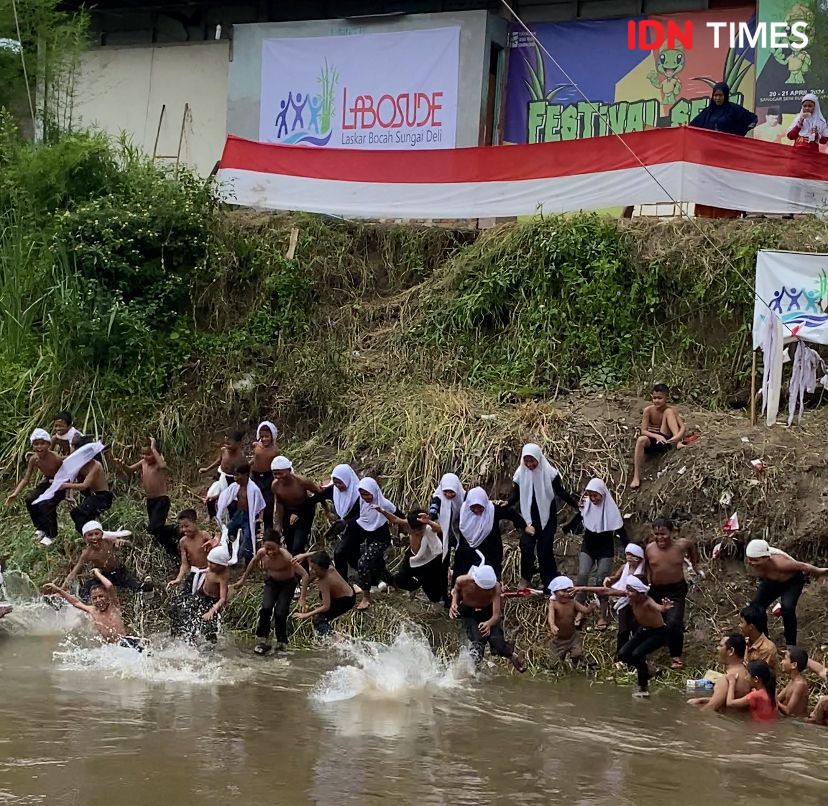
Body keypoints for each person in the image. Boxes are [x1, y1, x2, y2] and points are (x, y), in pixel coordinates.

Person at [576, 576, 674, 698]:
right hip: (643, 630)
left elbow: (659, 608)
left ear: (640, 592)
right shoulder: (630, 596)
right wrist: (582, 588)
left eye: (630, 590)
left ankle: (643, 688)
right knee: (623, 654)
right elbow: (605, 590)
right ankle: (646, 671)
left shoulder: (647, 601)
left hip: (659, 633)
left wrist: (665, 607)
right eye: (627, 589)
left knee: (638, 654)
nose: (627, 592)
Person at [509, 444, 579, 590]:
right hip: (530, 518)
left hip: (547, 516)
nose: (530, 465)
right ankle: (526, 577)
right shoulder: (520, 475)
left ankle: (549, 581)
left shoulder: (550, 473)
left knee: (544, 550)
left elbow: (560, 492)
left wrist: (576, 504)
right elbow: (516, 497)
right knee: (526, 547)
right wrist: (506, 504)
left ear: (539, 458)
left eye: (532, 461)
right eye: (526, 461)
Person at [450, 550, 526, 672]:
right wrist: (454, 604)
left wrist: (489, 623)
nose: (487, 591)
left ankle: (512, 656)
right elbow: (455, 592)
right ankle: (474, 672)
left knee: (497, 641)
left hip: (487, 612)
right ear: (475, 582)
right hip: (470, 612)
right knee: (477, 641)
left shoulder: (495, 587)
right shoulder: (462, 580)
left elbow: (496, 615)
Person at [690, 81, 757, 219]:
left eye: (720, 95)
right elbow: (692, 128)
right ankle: (707, 215)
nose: (718, 98)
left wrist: (736, 135)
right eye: (715, 95)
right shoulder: (707, 112)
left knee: (726, 184)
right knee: (708, 184)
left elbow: (753, 120)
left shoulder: (733, 109)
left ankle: (728, 215)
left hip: (728, 156)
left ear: (726, 95)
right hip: (709, 158)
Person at [745, 538, 828, 647]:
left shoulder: (780, 563)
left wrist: (819, 572)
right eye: (750, 559)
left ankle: (791, 644)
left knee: (787, 608)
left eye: (755, 560)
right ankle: (763, 639)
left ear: (766, 558)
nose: (751, 563)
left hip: (792, 583)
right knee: (756, 607)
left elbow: (803, 566)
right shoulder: (754, 565)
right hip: (772, 582)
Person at [231, 536, 308, 654]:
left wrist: (302, 598)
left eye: (273, 549)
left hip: (287, 584)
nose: (270, 552)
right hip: (271, 583)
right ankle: (263, 639)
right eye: (267, 548)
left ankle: (281, 642)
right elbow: (253, 562)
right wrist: (243, 580)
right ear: (263, 545)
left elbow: (304, 574)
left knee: (280, 612)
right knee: (266, 608)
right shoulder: (262, 552)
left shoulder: (287, 557)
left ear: (280, 546)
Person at [645, 517, 700, 669]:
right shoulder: (649, 549)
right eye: (656, 534)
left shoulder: (680, 546)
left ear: (672, 532)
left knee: (674, 622)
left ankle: (676, 655)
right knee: (656, 622)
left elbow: (691, 545)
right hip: (655, 590)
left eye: (663, 534)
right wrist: (647, 581)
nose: (660, 538)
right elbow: (646, 566)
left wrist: (695, 564)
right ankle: (653, 650)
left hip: (676, 590)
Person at [574, 478, 627, 630]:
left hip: (605, 549)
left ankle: (602, 614)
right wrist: (566, 528)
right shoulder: (586, 505)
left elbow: (621, 532)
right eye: (590, 495)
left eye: (596, 495)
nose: (593, 499)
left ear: (603, 494)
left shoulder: (611, 511)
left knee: (601, 580)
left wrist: (629, 546)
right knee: (582, 575)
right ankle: (580, 610)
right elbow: (578, 516)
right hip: (588, 547)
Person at [113, 437, 178, 558]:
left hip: (161, 499)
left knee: (154, 528)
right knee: (155, 531)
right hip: (150, 501)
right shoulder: (143, 463)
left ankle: (176, 531)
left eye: (148, 454)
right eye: (142, 454)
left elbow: (163, 465)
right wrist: (122, 465)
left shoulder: (159, 464)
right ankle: (173, 550)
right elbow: (130, 470)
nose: (145, 457)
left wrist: (153, 447)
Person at [377, 509, 448, 611]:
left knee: (430, 587)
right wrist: (383, 511)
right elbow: (395, 519)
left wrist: (428, 522)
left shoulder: (428, 528)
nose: (417, 532)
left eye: (419, 530)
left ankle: (436, 600)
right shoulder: (408, 524)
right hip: (411, 557)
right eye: (415, 530)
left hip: (428, 562)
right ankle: (410, 588)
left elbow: (439, 529)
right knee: (399, 579)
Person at [43, 570, 137, 647]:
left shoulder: (114, 607)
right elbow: (76, 602)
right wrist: (58, 590)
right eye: (94, 598)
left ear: (107, 597)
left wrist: (97, 573)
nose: (98, 600)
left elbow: (109, 586)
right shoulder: (92, 610)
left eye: (101, 596)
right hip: (111, 648)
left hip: (126, 642)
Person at [63, 520, 152, 600]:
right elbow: (74, 572)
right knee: (84, 591)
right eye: (90, 535)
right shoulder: (87, 553)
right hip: (104, 576)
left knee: (137, 587)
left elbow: (131, 545)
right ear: (85, 538)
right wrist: (62, 589)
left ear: (102, 534)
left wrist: (123, 542)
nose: (94, 538)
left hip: (120, 572)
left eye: (96, 534)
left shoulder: (109, 541)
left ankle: (146, 589)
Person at [5, 428, 64, 544]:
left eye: (42, 444)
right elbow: (26, 479)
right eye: (36, 444)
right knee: (30, 499)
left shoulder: (55, 458)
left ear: (48, 444)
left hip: (60, 484)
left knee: (45, 504)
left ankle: (51, 534)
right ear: (33, 446)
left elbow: (67, 474)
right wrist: (15, 493)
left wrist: (68, 492)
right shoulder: (34, 459)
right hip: (47, 482)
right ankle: (41, 527)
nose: (39, 447)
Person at [454, 487, 525, 583]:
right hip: (467, 551)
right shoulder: (464, 511)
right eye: (473, 507)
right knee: (462, 573)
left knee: (490, 575)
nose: (477, 510)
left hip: (490, 550)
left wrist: (524, 526)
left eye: (480, 507)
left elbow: (511, 514)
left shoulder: (492, 510)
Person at [352, 477, 401, 611]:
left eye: (368, 494)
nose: (365, 497)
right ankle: (396, 586)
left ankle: (366, 597)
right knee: (378, 566)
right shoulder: (362, 502)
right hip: (368, 539)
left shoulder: (384, 504)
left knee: (363, 563)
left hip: (381, 540)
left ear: (374, 491)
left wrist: (402, 532)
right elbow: (358, 519)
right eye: (362, 494)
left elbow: (400, 516)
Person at [167, 510, 217, 637]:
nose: (184, 529)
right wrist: (178, 578)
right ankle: (179, 634)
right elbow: (185, 563)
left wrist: (214, 542)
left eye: (186, 526)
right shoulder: (183, 541)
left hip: (207, 575)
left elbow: (218, 553)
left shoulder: (205, 536)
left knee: (197, 604)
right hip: (194, 574)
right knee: (177, 605)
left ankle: (205, 635)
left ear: (195, 522)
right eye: (181, 527)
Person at [311, 464, 362, 579]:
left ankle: (342, 583)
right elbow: (317, 497)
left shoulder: (359, 494)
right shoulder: (334, 490)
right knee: (353, 556)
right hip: (345, 528)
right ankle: (368, 579)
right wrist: (327, 511)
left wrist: (345, 523)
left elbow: (363, 516)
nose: (338, 486)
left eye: (340, 482)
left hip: (359, 528)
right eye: (336, 482)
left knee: (340, 553)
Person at [631, 385, 686, 489]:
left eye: (660, 398)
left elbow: (682, 427)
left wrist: (678, 437)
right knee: (641, 440)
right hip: (653, 441)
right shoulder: (648, 410)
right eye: (654, 398)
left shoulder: (671, 410)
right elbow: (643, 431)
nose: (656, 401)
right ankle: (636, 476)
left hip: (667, 440)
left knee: (668, 412)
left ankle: (678, 442)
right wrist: (656, 436)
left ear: (666, 398)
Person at [294, 550, 356, 636]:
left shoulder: (323, 582)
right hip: (350, 591)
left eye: (315, 569)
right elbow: (321, 552)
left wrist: (306, 615)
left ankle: (335, 637)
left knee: (319, 621)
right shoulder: (330, 567)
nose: (312, 571)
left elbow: (326, 607)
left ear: (323, 568)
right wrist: (303, 555)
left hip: (345, 602)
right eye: (311, 568)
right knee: (321, 594)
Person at [215, 462, 265, 567]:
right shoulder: (235, 487)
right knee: (227, 532)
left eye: (237, 475)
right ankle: (229, 555)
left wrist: (260, 518)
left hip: (249, 517)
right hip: (238, 515)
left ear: (246, 474)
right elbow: (225, 496)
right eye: (234, 475)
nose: (235, 477)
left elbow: (261, 504)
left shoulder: (254, 489)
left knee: (248, 540)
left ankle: (248, 564)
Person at [687, 634, 751, 713]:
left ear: (731, 651)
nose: (717, 648)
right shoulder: (748, 674)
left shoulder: (726, 679)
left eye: (721, 646)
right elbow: (728, 700)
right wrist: (702, 700)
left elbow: (710, 709)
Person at [271, 455, 320, 557]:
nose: (278, 477)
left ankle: (303, 570)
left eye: (280, 473)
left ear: (289, 470)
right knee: (289, 543)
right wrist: (278, 525)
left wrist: (327, 511)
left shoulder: (302, 482)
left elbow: (319, 494)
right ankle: (295, 569)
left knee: (297, 546)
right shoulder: (275, 485)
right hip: (288, 512)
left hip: (305, 511)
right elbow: (279, 503)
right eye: (275, 474)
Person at [63, 437, 113, 534]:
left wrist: (65, 485)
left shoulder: (96, 465)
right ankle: (90, 535)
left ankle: (90, 535)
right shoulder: (79, 464)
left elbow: (84, 485)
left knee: (78, 514)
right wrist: (68, 495)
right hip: (90, 497)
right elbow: (70, 478)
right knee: (76, 514)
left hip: (102, 497)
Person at [605, 543, 647, 657]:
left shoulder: (643, 571)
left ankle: (635, 654)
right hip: (624, 602)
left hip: (636, 603)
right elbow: (616, 577)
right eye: (627, 554)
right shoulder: (625, 567)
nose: (629, 557)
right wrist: (609, 580)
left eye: (631, 554)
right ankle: (620, 655)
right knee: (623, 630)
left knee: (636, 628)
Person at [189, 544, 231, 643]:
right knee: (192, 616)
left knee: (209, 626)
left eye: (213, 563)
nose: (210, 565)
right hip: (202, 594)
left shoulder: (223, 576)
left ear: (222, 565)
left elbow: (222, 598)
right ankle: (191, 640)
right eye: (209, 562)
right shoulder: (210, 569)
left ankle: (211, 647)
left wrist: (212, 610)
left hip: (213, 601)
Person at [199, 430, 245, 519]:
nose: (227, 441)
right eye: (226, 439)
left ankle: (230, 519)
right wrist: (207, 469)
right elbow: (219, 460)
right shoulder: (224, 450)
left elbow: (244, 472)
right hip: (220, 476)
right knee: (211, 495)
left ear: (238, 443)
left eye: (230, 440)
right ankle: (212, 516)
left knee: (230, 502)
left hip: (232, 480)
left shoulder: (241, 458)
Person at [547, 576, 591, 666]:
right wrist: (552, 625)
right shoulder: (553, 605)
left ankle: (576, 663)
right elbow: (550, 617)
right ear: (555, 592)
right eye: (562, 591)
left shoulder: (573, 603)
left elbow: (585, 610)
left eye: (568, 591)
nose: (566, 594)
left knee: (577, 653)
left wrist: (592, 606)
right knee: (554, 664)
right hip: (559, 640)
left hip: (572, 637)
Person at [427, 473, 465, 563]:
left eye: (452, 492)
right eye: (445, 491)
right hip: (442, 531)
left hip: (459, 530)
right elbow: (434, 510)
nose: (448, 495)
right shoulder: (438, 498)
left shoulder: (464, 498)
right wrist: (429, 518)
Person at [250, 421, 278, 540]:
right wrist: (248, 465)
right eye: (262, 437)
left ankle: (268, 534)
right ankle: (254, 531)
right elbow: (255, 458)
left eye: (267, 436)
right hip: (255, 477)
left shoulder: (275, 451)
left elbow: (276, 466)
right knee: (254, 503)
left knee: (268, 505)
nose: (264, 439)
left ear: (272, 436)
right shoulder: (256, 446)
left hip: (268, 478)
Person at [740, 603, 779, 672]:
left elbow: (758, 676)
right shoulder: (745, 642)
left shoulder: (767, 649)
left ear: (751, 627)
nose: (740, 626)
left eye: (742, 623)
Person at [777, 646, 810, 718]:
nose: (781, 662)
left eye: (785, 659)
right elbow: (778, 698)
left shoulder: (800, 684)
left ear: (794, 665)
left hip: (797, 724)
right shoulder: (792, 681)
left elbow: (788, 711)